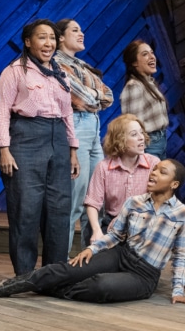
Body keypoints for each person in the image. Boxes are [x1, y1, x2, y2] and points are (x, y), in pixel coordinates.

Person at [0, 158, 185, 306]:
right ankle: (4, 288)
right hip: (121, 254)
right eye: (154, 169)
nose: (153, 173)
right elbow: (115, 236)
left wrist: (178, 291)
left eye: (162, 172)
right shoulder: (135, 202)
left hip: (144, 275)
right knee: (67, 269)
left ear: (174, 184)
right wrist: (92, 248)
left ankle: (46, 287)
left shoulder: (183, 214)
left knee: (100, 286)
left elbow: (182, 255)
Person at [0, 18, 80, 276]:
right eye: (42, 37)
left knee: (59, 208)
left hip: (58, 141)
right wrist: (4, 149)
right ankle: (25, 275)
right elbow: (0, 112)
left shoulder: (59, 73)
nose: (48, 43)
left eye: (52, 38)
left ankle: (53, 273)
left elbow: (68, 113)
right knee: (26, 208)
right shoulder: (14, 71)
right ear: (28, 42)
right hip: (26, 138)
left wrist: (72, 150)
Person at [54, 19, 114, 253]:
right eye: (75, 30)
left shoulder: (82, 65)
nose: (82, 34)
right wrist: (93, 95)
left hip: (93, 129)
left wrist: (93, 95)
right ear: (61, 37)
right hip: (76, 127)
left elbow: (108, 96)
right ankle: (61, 262)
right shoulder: (57, 63)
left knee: (96, 200)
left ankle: (90, 258)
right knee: (75, 201)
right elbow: (84, 99)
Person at [84, 113, 160, 244]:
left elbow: (161, 201)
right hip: (113, 223)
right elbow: (92, 203)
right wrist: (96, 231)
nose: (141, 138)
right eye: (134, 134)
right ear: (120, 140)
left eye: (141, 133)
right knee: (91, 232)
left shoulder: (154, 163)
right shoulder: (103, 167)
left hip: (144, 224)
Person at [120, 40, 169, 159]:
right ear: (134, 62)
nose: (152, 57)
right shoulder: (134, 86)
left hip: (160, 140)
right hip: (149, 144)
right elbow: (132, 124)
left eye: (152, 53)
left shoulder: (149, 83)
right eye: (145, 54)